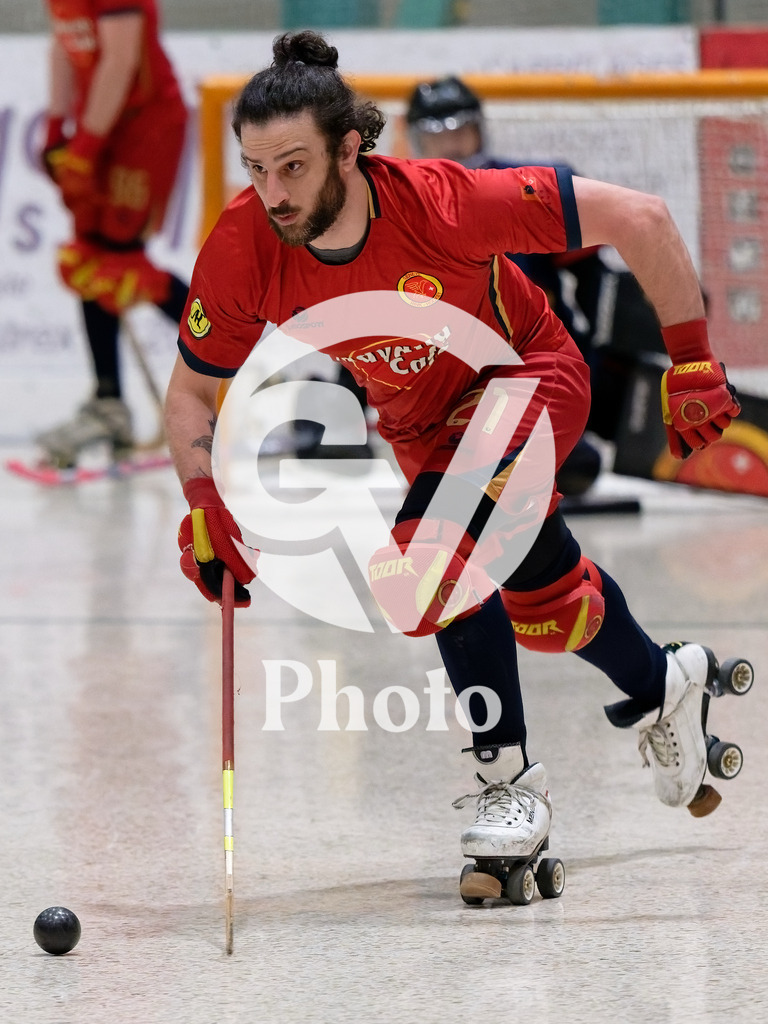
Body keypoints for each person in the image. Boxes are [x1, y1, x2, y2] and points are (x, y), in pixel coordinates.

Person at [164, 31, 742, 902]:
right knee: (542, 603)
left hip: (529, 378)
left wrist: (693, 358)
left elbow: (643, 219)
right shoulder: (246, 247)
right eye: (255, 168)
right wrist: (204, 500)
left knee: (427, 566)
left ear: (350, 151)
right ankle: (666, 683)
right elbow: (188, 400)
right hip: (426, 429)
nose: (273, 193)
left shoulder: (444, 202)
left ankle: (510, 787)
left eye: (293, 166)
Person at [406, 75, 609, 496]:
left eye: (461, 129)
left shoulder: (525, 189)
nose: (452, 145)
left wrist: (604, 362)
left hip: (534, 366)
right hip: (450, 382)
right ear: (415, 140)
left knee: (577, 464)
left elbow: (597, 288)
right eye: (437, 135)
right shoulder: (400, 209)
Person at [38, 0, 190, 468]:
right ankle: (109, 403)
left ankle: (243, 361)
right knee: (90, 250)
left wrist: (84, 146)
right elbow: (64, 45)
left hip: (143, 125)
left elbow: (122, 59)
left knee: (119, 255)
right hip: (102, 118)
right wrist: (56, 127)